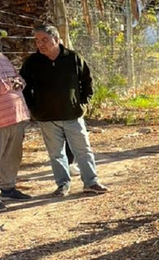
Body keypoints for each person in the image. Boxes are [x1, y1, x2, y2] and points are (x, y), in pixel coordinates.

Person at [20, 24, 108, 196]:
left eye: (45, 40)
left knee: (83, 150)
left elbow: (87, 82)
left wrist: (82, 104)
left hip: (72, 115)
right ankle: (63, 185)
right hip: (46, 118)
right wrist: (33, 108)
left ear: (56, 39)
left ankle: (91, 182)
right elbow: (23, 87)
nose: (40, 44)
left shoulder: (73, 58)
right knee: (56, 154)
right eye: (37, 41)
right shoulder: (32, 63)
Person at [0, 21, 32, 211]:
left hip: (15, 117)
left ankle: (8, 188)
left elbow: (18, 79)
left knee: (12, 156)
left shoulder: (2, 57)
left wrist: (18, 82)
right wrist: (9, 83)